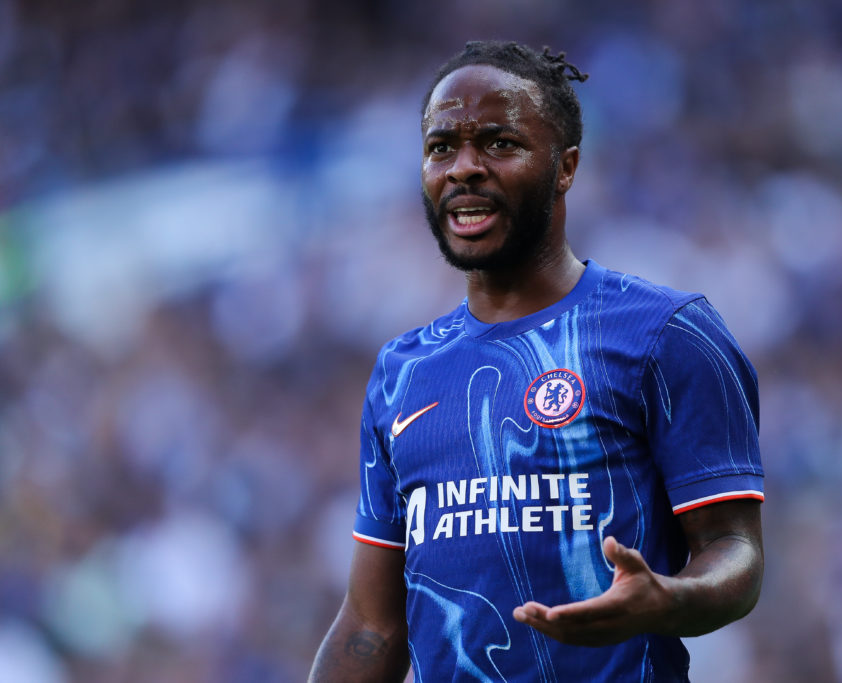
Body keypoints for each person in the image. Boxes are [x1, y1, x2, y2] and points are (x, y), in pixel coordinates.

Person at [308, 40, 765, 682]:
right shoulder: (401, 372)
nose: (463, 168)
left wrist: (668, 599)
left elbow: (734, 551)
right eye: (442, 148)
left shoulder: (665, 332)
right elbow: (371, 625)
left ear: (566, 166)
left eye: (498, 143)